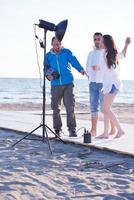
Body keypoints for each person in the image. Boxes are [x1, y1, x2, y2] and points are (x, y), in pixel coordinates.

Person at [45, 37, 85, 137]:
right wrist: (48, 76)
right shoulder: (48, 56)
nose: (58, 46)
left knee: (70, 106)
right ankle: (57, 130)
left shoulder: (66, 52)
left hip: (68, 83)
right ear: (52, 45)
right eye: (56, 44)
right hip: (55, 84)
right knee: (55, 108)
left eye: (59, 44)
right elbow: (46, 68)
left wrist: (80, 69)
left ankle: (72, 130)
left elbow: (74, 61)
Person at [97, 35, 131, 139]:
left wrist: (126, 45)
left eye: (102, 41)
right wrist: (126, 45)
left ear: (106, 43)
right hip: (110, 84)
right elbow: (123, 55)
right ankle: (106, 133)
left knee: (105, 109)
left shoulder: (108, 54)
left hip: (111, 85)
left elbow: (122, 55)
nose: (100, 43)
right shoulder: (109, 53)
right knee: (106, 109)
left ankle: (119, 130)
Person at [86, 32, 105, 137]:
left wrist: (99, 68)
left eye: (98, 39)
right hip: (92, 83)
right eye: (95, 39)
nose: (97, 41)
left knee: (105, 108)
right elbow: (87, 66)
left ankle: (110, 130)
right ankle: (93, 130)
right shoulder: (91, 53)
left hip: (103, 83)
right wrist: (89, 74)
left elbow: (109, 67)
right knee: (93, 107)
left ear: (102, 40)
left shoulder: (105, 52)